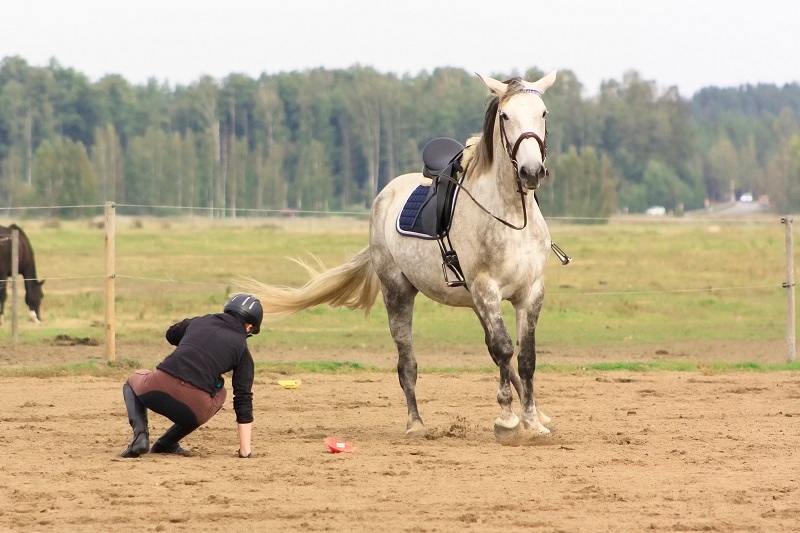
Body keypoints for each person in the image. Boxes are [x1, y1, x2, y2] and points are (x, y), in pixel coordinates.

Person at [120, 293, 263, 459]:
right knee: (220, 392)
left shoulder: (200, 321)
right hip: (194, 409)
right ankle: (166, 443)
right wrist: (245, 450)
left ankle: (140, 436)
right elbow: (243, 397)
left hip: (156, 390)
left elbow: (171, 334)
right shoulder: (242, 349)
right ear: (249, 326)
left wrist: (193, 342)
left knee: (132, 381)